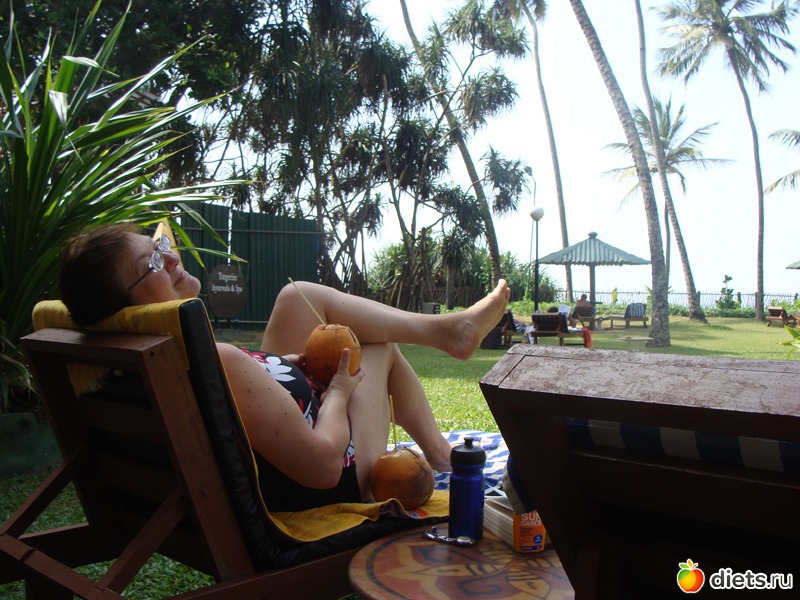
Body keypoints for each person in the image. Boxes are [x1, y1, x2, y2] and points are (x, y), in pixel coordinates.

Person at [57, 224, 510, 511]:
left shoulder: (133, 362)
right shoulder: (217, 363)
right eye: (153, 262)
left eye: (160, 244)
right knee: (377, 345)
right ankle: (442, 437)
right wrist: (338, 392)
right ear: (128, 311)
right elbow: (322, 466)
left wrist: (276, 366)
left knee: (298, 298)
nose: (172, 257)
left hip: (287, 433)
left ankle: (447, 334)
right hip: (338, 475)